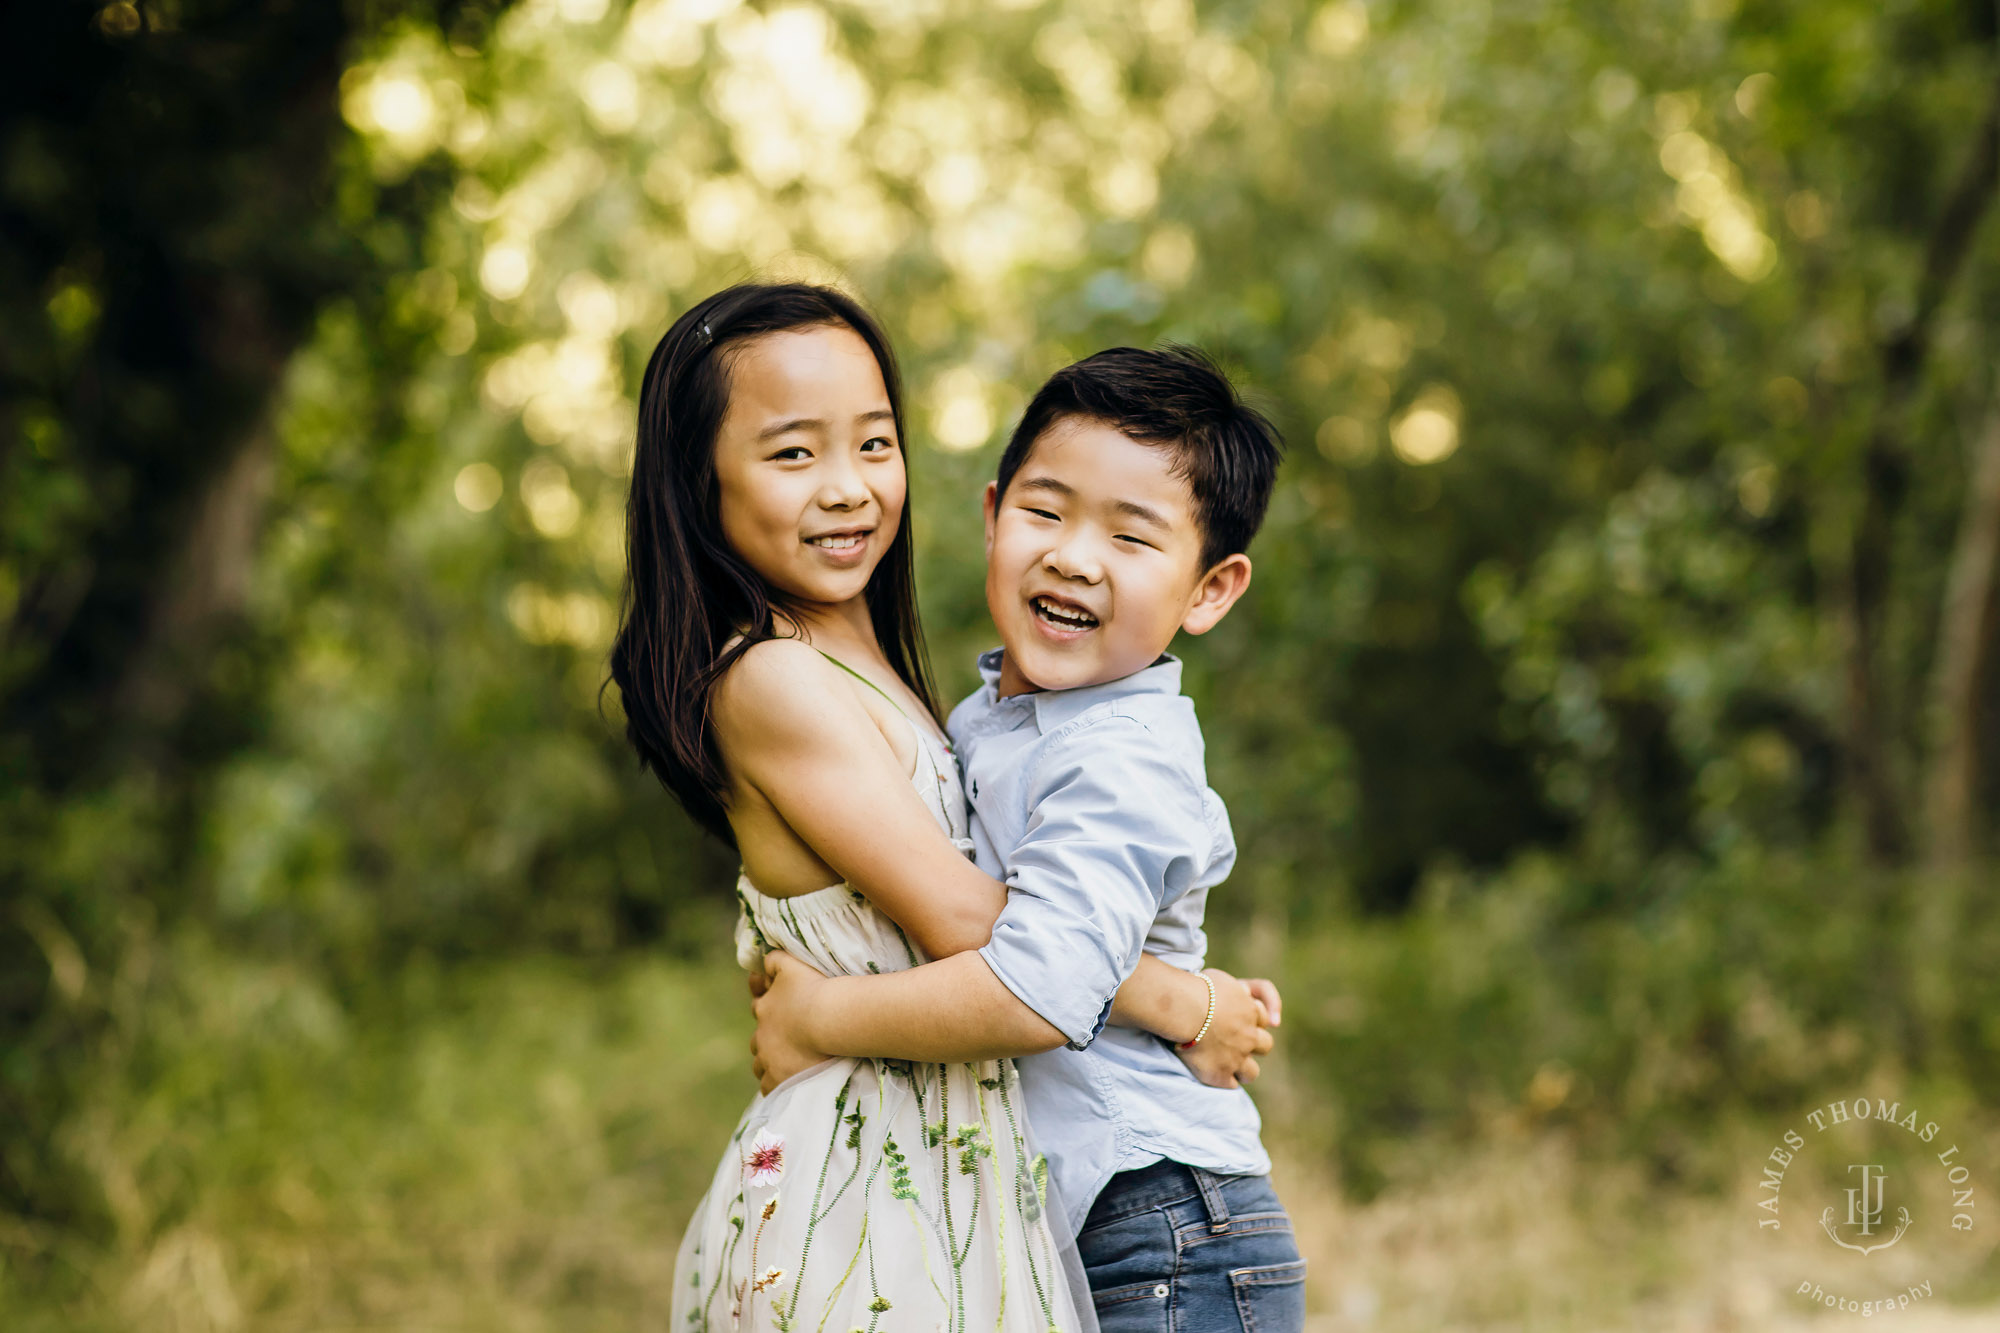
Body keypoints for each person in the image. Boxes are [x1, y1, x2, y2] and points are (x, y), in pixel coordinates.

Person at [608, 285, 1274, 1333]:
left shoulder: (926, 682)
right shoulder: (773, 677)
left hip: (1056, 1178)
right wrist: (1180, 1001)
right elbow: (965, 920)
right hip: (896, 1162)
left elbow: (1016, 930)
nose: (845, 488)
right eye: (792, 455)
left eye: (873, 443)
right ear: (699, 482)